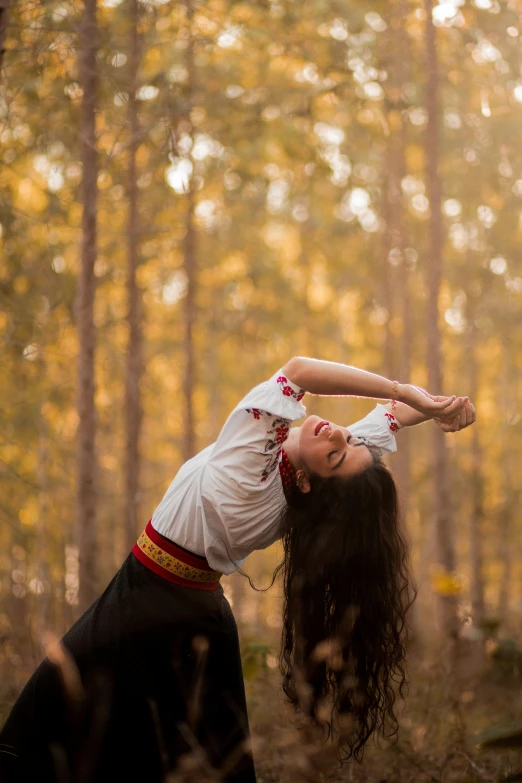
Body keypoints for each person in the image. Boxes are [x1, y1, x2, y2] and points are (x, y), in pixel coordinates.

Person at [0, 356, 475, 782]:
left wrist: (402, 390)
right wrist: (434, 408)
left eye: (336, 453)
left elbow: (299, 371)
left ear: (310, 483)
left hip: (146, 611)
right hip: (193, 614)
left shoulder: (248, 469)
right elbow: (384, 424)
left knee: (41, 734)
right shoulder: (300, 477)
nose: (337, 432)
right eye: (347, 438)